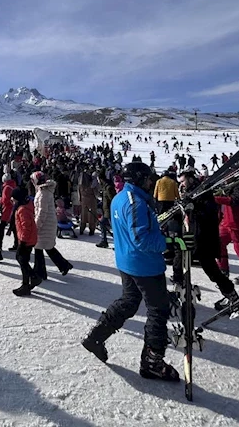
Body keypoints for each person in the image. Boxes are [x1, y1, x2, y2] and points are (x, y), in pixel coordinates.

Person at [82, 162, 180, 382]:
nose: (150, 183)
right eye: (147, 179)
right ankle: (152, 363)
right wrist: (171, 241)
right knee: (158, 309)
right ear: (138, 179)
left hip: (128, 261)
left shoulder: (121, 197)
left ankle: (96, 336)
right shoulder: (135, 203)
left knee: (129, 301)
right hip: (143, 265)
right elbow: (141, 239)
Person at [174, 170, 239, 310]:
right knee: (179, 261)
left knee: (210, 268)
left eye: (183, 181)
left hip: (203, 237)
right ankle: (178, 290)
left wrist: (194, 207)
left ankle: (230, 293)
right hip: (189, 235)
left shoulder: (203, 192)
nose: (181, 185)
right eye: (179, 182)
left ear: (191, 180)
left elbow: (209, 212)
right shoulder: (187, 193)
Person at [31, 171, 73, 279]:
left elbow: (42, 212)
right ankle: (63, 265)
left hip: (45, 224)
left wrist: (36, 225)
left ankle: (40, 272)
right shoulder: (44, 191)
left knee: (39, 247)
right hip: (48, 223)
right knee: (46, 247)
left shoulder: (42, 193)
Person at [11, 187, 42, 296]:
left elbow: (26, 227)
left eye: (13, 198)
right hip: (28, 238)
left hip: (27, 240)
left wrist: (23, 242)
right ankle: (31, 279)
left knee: (21, 259)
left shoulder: (22, 210)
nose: (12, 200)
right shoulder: (24, 206)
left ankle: (30, 280)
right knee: (23, 260)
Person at [96, 172, 116, 249]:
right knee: (102, 223)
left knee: (114, 228)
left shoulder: (108, 187)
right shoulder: (105, 186)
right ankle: (104, 241)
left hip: (110, 211)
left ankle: (118, 244)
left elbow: (113, 199)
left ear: (100, 179)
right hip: (106, 211)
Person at [0, 173, 18, 250]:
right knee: (14, 228)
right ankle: (16, 244)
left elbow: (5, 200)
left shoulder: (6, 187)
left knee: (2, 227)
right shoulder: (14, 186)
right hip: (14, 209)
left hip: (7, 210)